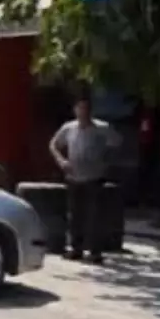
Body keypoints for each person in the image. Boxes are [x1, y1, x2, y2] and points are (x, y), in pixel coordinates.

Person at [49, 91, 122, 264]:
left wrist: (106, 162)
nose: (83, 112)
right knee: (75, 215)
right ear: (75, 110)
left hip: (94, 178)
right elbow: (53, 144)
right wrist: (61, 160)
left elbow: (117, 143)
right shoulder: (69, 128)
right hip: (74, 178)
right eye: (80, 109)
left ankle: (95, 251)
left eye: (86, 109)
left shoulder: (101, 128)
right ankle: (76, 248)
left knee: (95, 216)